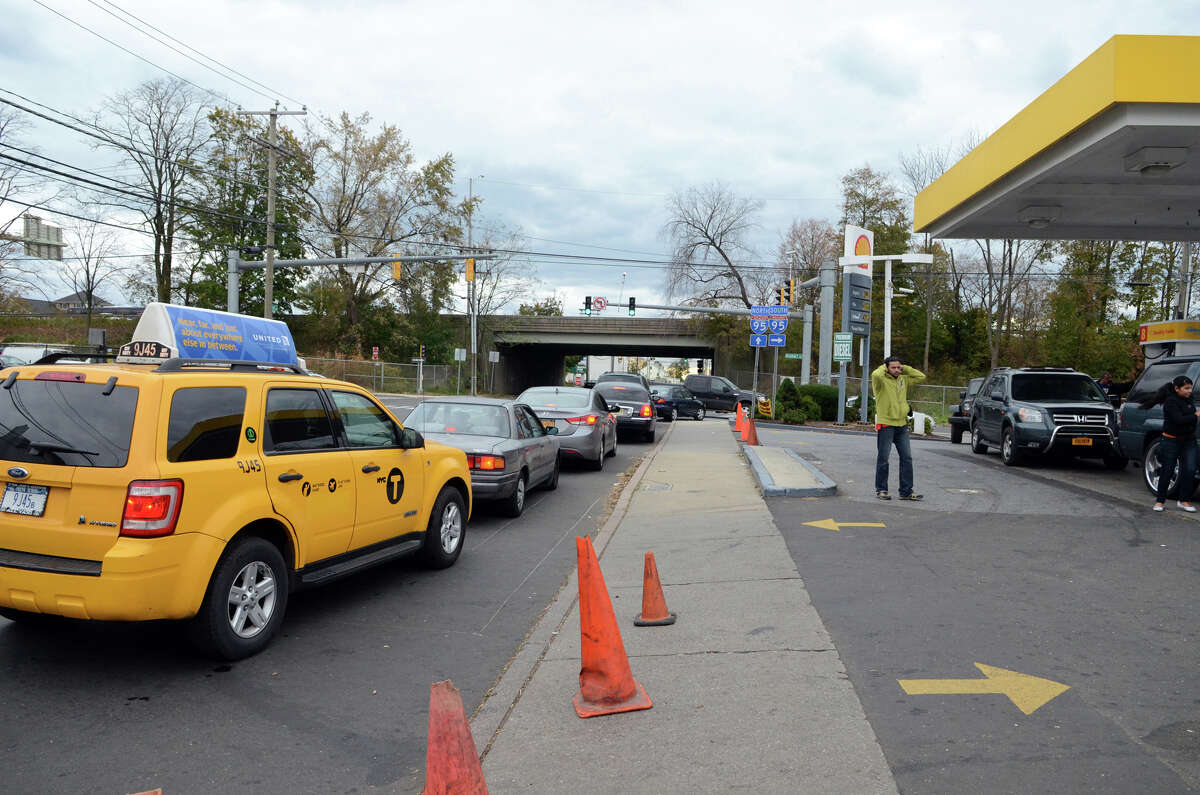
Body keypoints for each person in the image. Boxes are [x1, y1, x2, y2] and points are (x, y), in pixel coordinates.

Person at [1139, 374, 1200, 512]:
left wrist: (1192, 419)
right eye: (1186, 388)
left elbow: (1189, 420)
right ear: (1177, 388)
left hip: (1189, 440)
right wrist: (1195, 416)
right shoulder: (1171, 402)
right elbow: (1178, 420)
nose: (1190, 391)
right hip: (1171, 440)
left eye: (1190, 388)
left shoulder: (1189, 400)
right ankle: (1160, 501)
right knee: (1168, 469)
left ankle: (1184, 500)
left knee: (1190, 469)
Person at [871, 355, 926, 501]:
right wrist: (884, 365)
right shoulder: (880, 381)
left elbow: (921, 377)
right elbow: (875, 374)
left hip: (902, 425)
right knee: (883, 458)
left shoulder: (903, 379)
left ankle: (906, 491)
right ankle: (881, 490)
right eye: (893, 367)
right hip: (886, 424)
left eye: (898, 367)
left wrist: (905, 368)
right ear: (887, 368)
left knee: (907, 458)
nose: (896, 370)